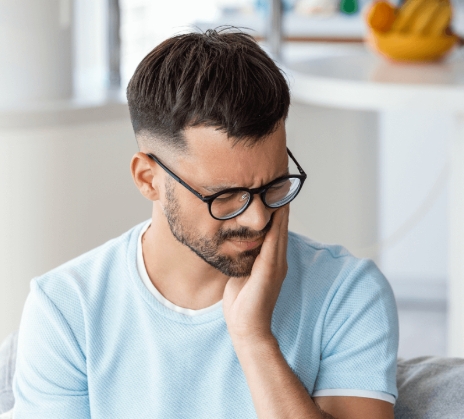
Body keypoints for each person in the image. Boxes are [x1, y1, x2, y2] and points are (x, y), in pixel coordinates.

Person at [12, 29, 399, 419]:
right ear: (148, 179)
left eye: (274, 185)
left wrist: (253, 338)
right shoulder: (66, 309)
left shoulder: (346, 293)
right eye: (225, 195)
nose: (258, 218)